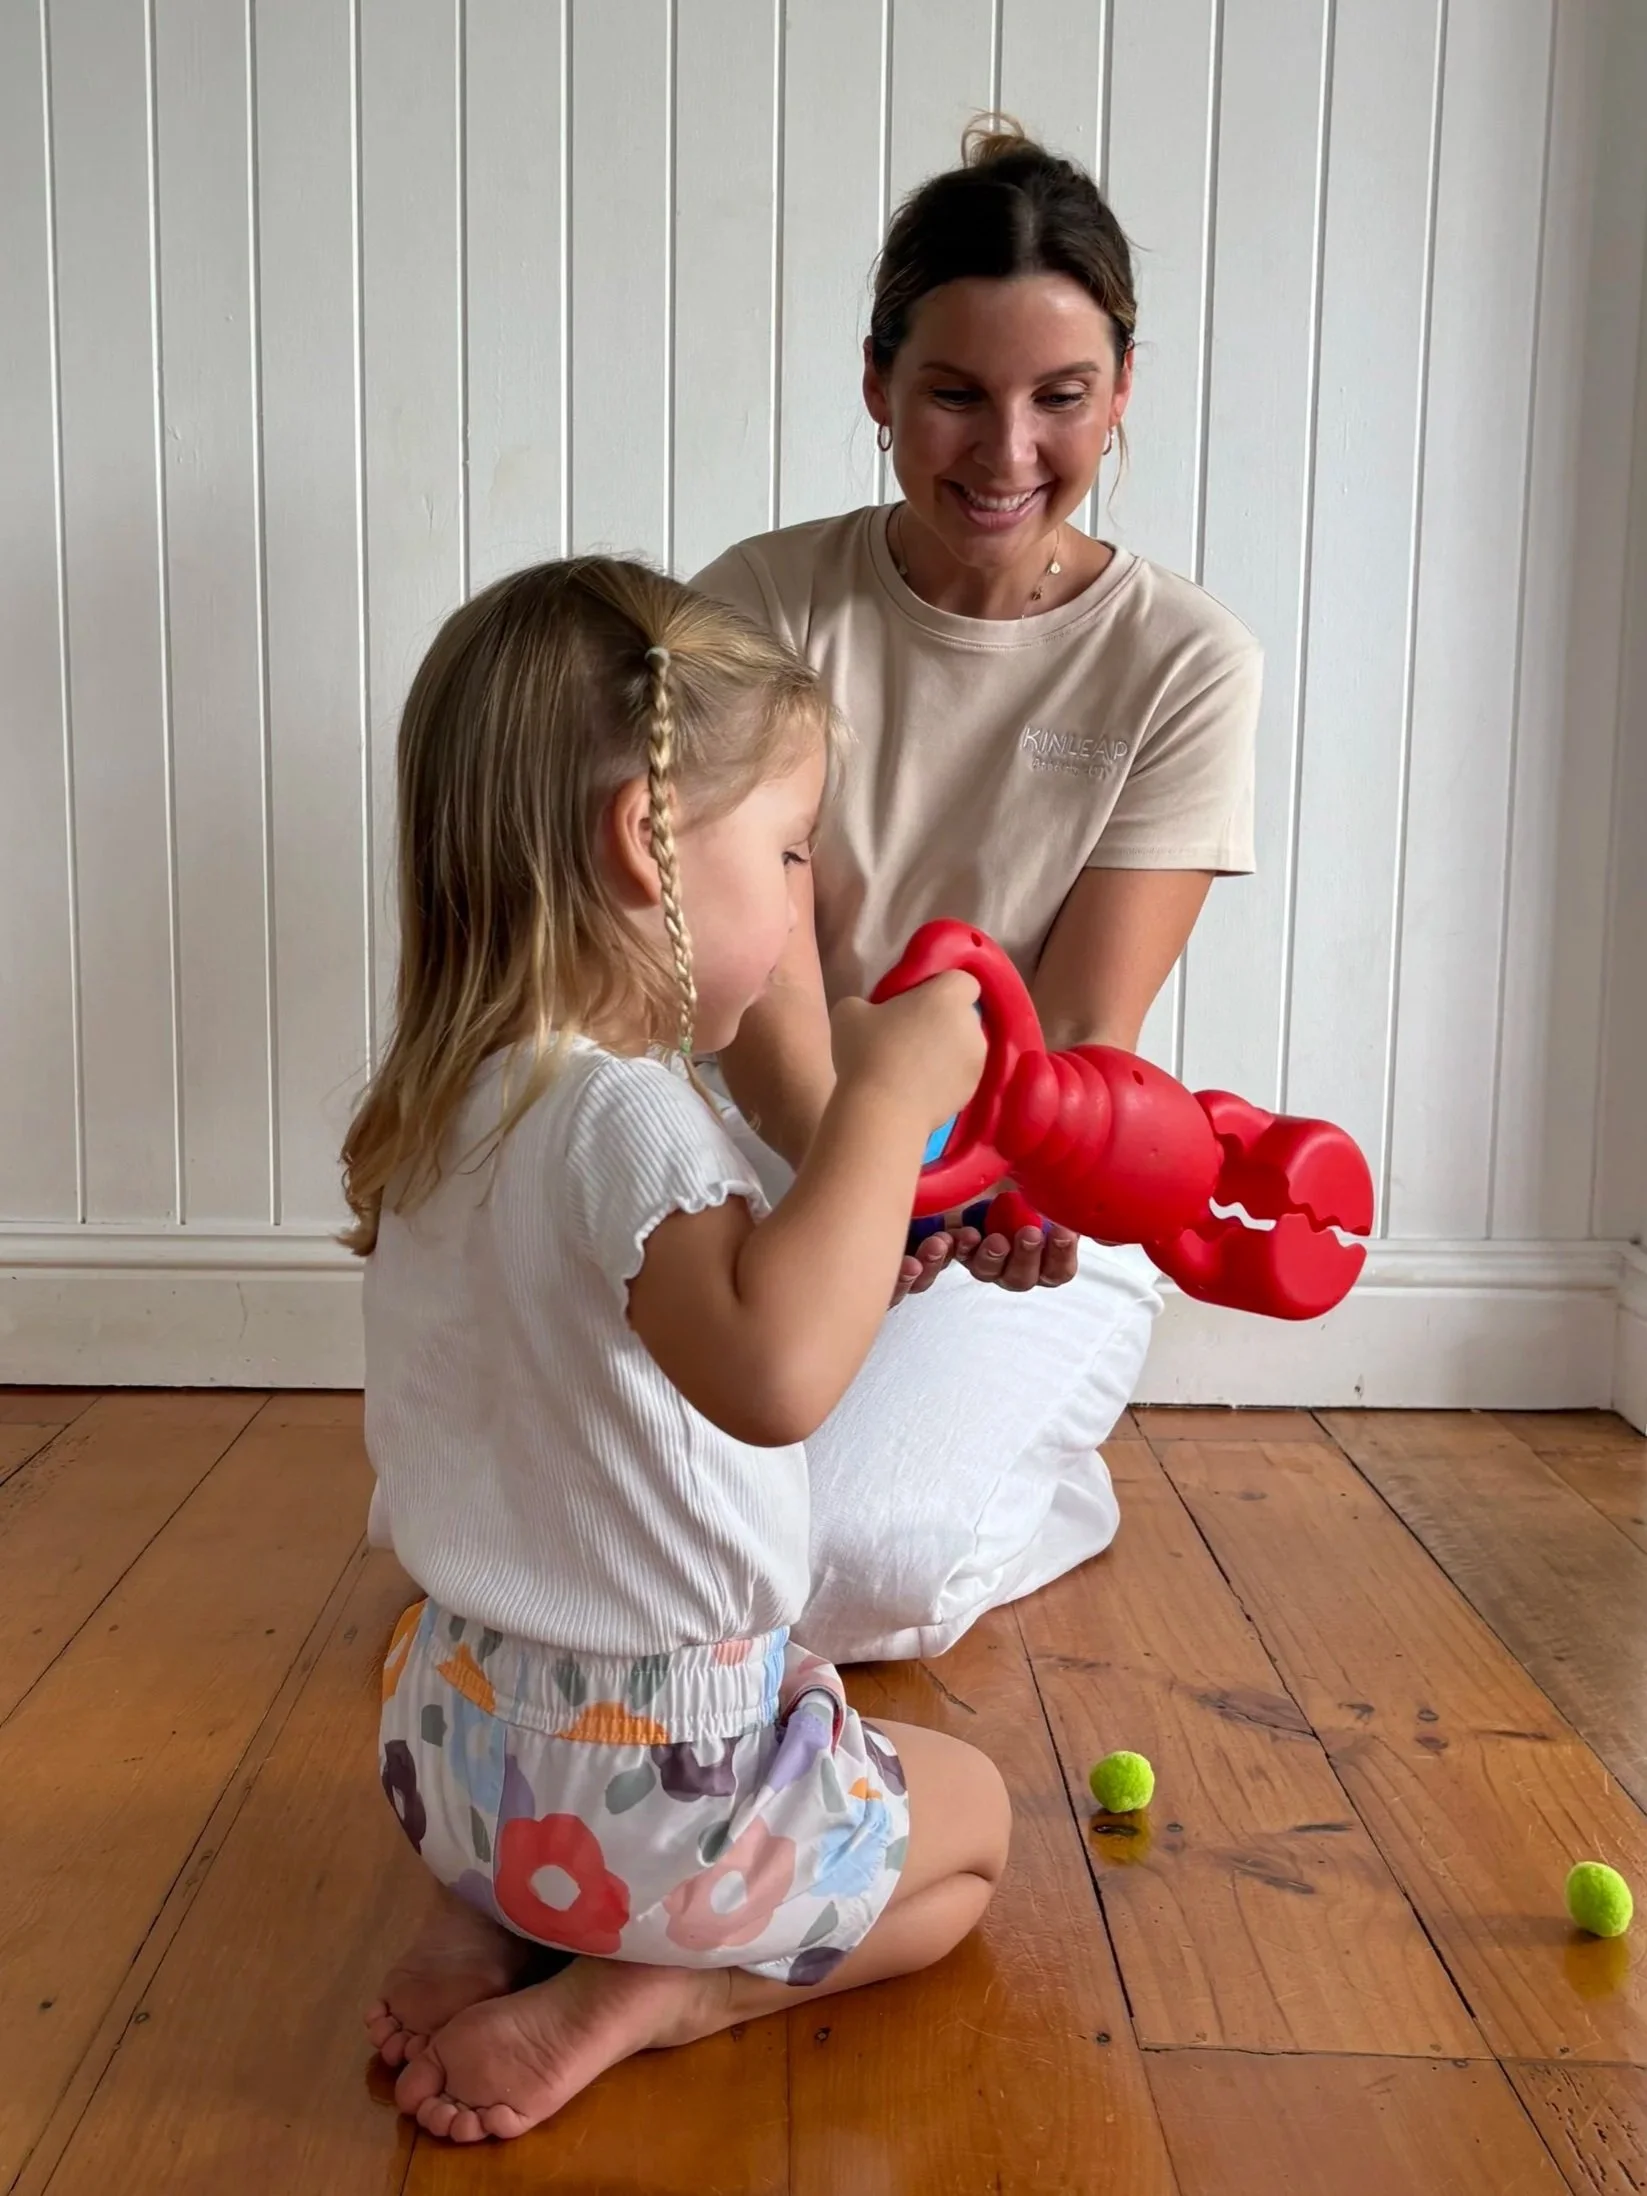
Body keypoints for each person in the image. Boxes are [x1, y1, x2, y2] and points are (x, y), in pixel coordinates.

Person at [344, 557, 1009, 2144]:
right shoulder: (630, 1117)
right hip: (643, 1792)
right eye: (785, 852)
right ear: (645, 846)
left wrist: (851, 1237)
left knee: (793, 1686)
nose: (801, 904)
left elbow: (665, 1334)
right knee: (974, 1845)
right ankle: (656, 1990)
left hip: (449, 1747)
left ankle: (492, 1919)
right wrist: (877, 1102)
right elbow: (777, 1376)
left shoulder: (454, 1103)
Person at [693, 120, 1261, 1664]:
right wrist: (851, 1178)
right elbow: (741, 956)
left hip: (1029, 1183)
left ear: (1120, 393)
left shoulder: (1183, 660)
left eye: (1059, 399)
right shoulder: (756, 603)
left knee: (853, 1569)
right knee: (504, 1527)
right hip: (776, 1133)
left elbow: (1081, 1018)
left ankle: (1046, 1487)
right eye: (953, 395)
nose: (1005, 454)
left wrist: (961, 1191)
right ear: (876, 385)